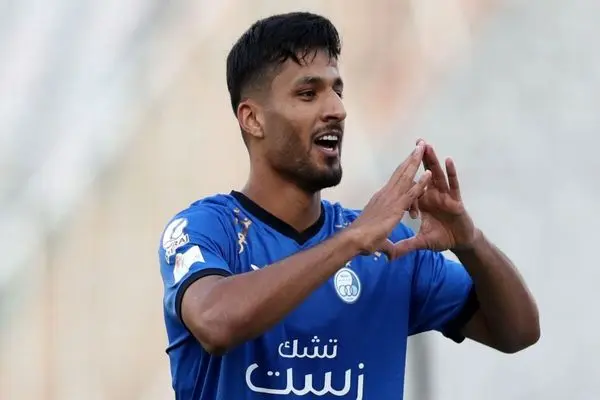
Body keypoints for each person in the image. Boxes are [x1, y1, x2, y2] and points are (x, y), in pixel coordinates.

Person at [158, 11, 540, 400]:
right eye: (308, 94)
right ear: (253, 119)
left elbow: (518, 332)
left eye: (337, 91)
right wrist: (352, 240)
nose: (337, 110)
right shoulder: (206, 229)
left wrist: (470, 241)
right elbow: (216, 323)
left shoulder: (390, 248)